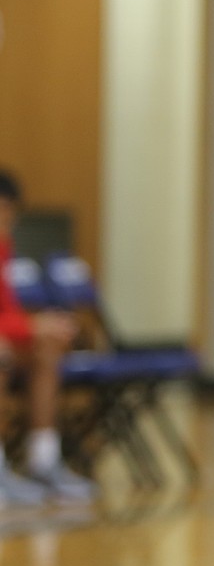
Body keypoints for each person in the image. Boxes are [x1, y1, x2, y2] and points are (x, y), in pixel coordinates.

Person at [0, 170, 97, 505]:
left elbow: (7, 310)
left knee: (46, 348)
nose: (9, 218)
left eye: (11, 210)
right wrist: (31, 326)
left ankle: (43, 459)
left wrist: (41, 325)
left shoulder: (3, 246)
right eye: (4, 209)